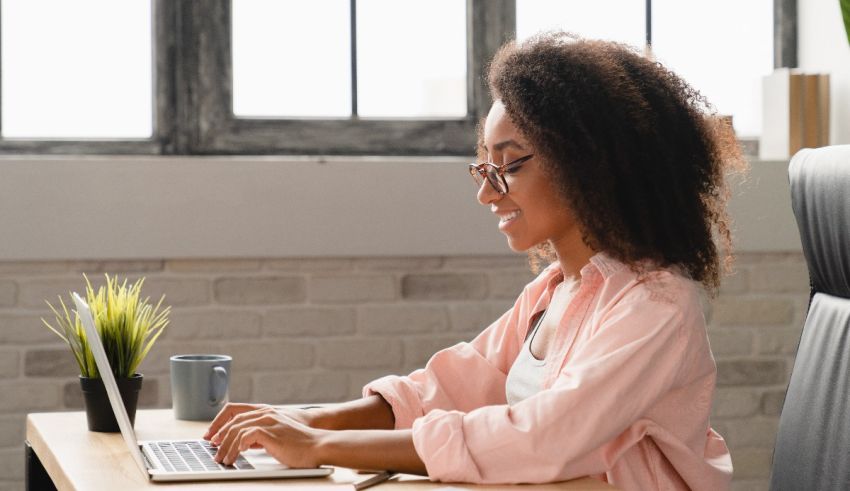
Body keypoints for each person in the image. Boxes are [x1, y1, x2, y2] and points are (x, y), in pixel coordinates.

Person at [203, 31, 744, 490]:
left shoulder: (655, 305)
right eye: (484, 167)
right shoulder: (556, 290)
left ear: (587, 165)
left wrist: (322, 445)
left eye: (507, 165)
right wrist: (301, 419)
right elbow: (447, 388)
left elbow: (543, 434)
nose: (488, 193)